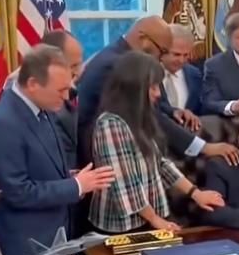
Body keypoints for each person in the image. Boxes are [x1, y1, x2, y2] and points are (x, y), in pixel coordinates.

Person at [0, 45, 114, 255]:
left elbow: (39, 165)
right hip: (26, 248)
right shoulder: (2, 123)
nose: (66, 97)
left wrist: (70, 177)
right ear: (33, 83)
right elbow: (15, 192)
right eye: (60, 90)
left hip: (53, 240)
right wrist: (76, 186)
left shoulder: (43, 109)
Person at [75, 16, 239, 168]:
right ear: (143, 39)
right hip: (104, 158)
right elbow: (147, 112)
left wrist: (172, 110)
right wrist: (204, 147)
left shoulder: (117, 54)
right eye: (162, 51)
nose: (160, 58)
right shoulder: (118, 65)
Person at [89, 52, 224, 234]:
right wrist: (155, 219)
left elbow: (159, 163)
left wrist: (196, 193)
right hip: (122, 225)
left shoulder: (141, 117)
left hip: (149, 218)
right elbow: (125, 183)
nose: (158, 94)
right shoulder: (110, 124)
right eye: (152, 87)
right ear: (134, 87)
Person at [41, 28, 84, 169]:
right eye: (74, 66)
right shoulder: (42, 102)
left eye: (79, 64)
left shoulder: (72, 93)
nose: (78, 72)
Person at [160, 25, 202, 124]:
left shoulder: (194, 74)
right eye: (176, 54)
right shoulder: (148, 74)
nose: (181, 60)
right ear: (162, 50)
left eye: (186, 55)